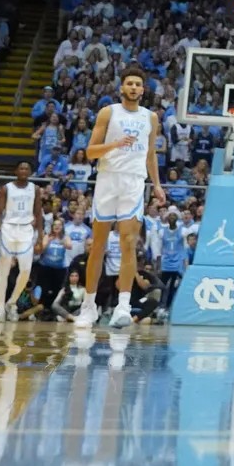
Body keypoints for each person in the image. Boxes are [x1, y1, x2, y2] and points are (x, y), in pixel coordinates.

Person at [76, 69, 164, 329]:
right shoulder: (109, 112)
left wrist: (156, 184)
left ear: (143, 89)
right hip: (108, 179)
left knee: (129, 242)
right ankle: (88, 307)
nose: (134, 87)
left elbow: (151, 155)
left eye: (138, 84)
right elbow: (90, 151)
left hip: (134, 182)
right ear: (121, 88)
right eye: (130, 84)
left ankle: (123, 307)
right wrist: (115, 144)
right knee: (99, 246)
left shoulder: (151, 117)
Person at [0, 161, 40, 321]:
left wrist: (40, 236)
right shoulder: (7, 188)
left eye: (27, 168)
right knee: (3, 271)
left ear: (30, 171)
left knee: (26, 270)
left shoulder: (35, 189)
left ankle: (11, 302)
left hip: (26, 230)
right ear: (16, 171)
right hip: (8, 228)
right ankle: (0, 310)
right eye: (21, 168)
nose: (24, 170)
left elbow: (38, 214)